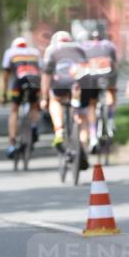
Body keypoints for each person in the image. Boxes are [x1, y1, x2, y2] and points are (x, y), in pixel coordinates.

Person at [40, 30, 89, 169]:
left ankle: (59, 130)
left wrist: (44, 98)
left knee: (54, 100)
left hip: (60, 84)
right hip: (79, 85)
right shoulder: (79, 48)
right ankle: (83, 149)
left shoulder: (51, 49)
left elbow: (46, 76)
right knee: (82, 118)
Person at [1, 37, 41, 158]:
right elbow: (41, 70)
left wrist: (4, 94)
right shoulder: (35, 52)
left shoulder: (10, 52)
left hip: (19, 81)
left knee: (14, 110)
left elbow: (6, 75)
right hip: (35, 80)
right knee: (34, 105)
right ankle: (34, 127)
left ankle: (12, 143)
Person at [80, 25, 118, 151]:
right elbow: (115, 64)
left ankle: (93, 135)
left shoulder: (84, 46)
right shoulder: (109, 45)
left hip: (91, 77)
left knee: (91, 104)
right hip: (107, 75)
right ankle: (111, 120)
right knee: (111, 91)